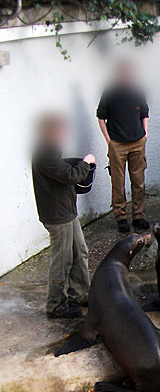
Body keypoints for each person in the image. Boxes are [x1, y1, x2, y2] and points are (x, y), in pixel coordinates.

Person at [31, 113, 96, 319]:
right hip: (58, 217)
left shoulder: (51, 151)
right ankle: (56, 305)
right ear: (48, 132)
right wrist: (86, 163)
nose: (63, 135)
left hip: (68, 212)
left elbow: (64, 173)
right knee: (62, 260)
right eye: (59, 131)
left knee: (80, 252)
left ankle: (79, 294)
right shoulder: (44, 154)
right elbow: (70, 176)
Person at [97, 60, 150, 233]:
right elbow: (101, 117)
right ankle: (121, 217)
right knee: (118, 183)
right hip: (117, 144)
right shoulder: (110, 93)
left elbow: (145, 114)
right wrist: (109, 141)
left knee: (138, 181)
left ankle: (138, 216)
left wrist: (145, 134)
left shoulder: (137, 92)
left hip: (137, 142)